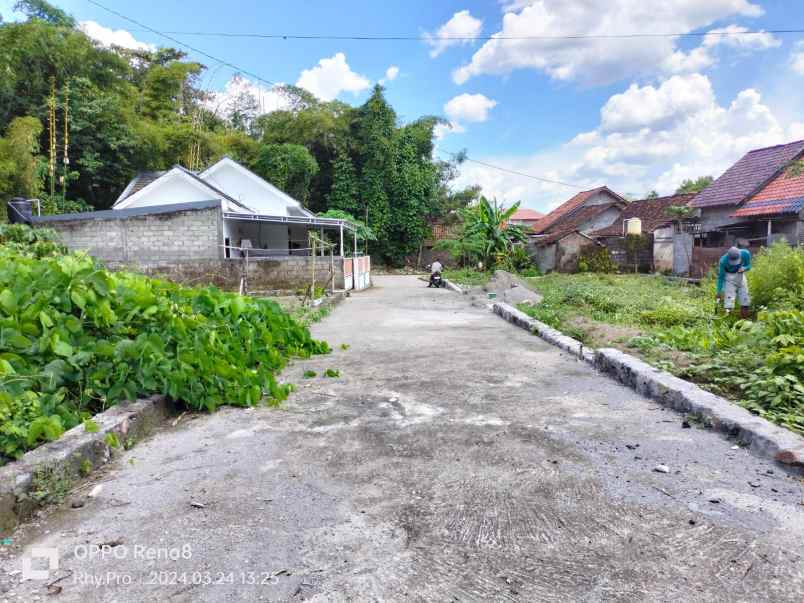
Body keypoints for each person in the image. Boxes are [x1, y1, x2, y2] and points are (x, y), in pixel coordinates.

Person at [716, 244, 751, 318]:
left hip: (741, 276)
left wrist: (744, 268)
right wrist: (719, 291)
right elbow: (721, 277)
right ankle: (728, 320)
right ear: (728, 257)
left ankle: (744, 319)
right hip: (729, 279)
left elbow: (749, 266)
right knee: (729, 302)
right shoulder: (723, 261)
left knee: (745, 300)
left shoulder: (745, 254)